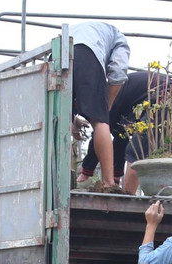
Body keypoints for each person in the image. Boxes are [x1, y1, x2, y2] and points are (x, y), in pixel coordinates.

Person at [78, 70, 167, 194]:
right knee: (131, 143)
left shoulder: (109, 98)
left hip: (165, 96)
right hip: (166, 96)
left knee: (136, 150)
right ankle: (127, 193)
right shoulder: (122, 106)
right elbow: (121, 138)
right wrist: (116, 176)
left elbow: (99, 136)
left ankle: (128, 199)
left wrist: (86, 172)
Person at [68, 22, 130, 191]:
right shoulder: (119, 38)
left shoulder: (80, 29)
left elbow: (71, 94)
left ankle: (57, 179)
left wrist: (72, 119)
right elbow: (118, 72)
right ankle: (109, 183)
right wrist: (107, 106)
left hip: (57, 51)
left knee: (57, 119)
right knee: (101, 122)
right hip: (87, 53)